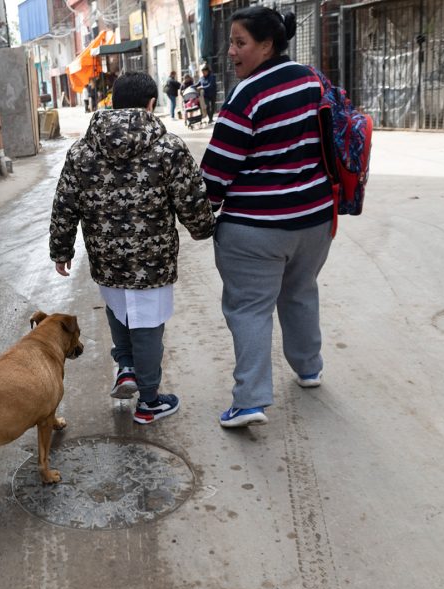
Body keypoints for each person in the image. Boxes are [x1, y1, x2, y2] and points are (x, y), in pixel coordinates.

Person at [49, 72, 215, 424]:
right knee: (149, 326)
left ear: (113, 101)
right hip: (151, 261)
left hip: (106, 259)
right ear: (151, 104)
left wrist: (61, 250)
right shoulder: (168, 147)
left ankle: (125, 368)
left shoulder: (81, 151)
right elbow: (191, 198)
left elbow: (65, 203)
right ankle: (150, 401)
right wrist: (204, 229)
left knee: (119, 313)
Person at [199, 7, 335, 428]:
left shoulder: (247, 94)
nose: (231, 52)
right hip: (314, 221)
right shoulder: (313, 79)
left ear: (266, 45)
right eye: (231, 42)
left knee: (250, 308)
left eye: (240, 43)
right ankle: (309, 368)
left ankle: (251, 400)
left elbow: (217, 170)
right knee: (300, 291)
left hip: (256, 229)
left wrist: (202, 207)